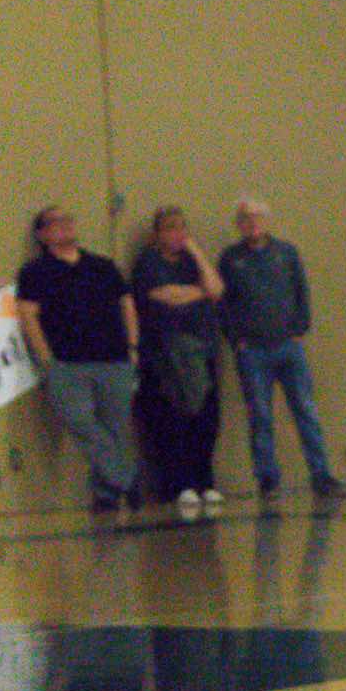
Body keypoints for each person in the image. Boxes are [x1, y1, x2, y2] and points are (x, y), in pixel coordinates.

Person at [15, 205, 141, 512]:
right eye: (56, 222)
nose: (65, 225)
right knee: (81, 422)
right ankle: (126, 478)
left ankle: (107, 494)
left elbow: (126, 304)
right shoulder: (35, 272)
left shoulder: (102, 266)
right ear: (42, 234)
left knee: (113, 428)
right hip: (66, 364)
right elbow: (28, 316)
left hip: (113, 360)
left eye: (68, 220)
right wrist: (47, 360)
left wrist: (133, 347)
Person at [218, 199, 345, 500]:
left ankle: (321, 476)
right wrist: (236, 340)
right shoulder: (230, 259)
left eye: (257, 216)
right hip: (252, 351)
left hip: (288, 346)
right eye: (246, 217)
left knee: (305, 411)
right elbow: (223, 304)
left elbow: (302, 292)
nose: (253, 222)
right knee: (260, 416)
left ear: (267, 220)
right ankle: (268, 480)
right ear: (239, 224)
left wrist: (300, 330)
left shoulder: (286, 253)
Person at [131, 207, 226, 511]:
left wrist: (196, 253)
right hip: (166, 352)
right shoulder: (148, 262)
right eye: (171, 228)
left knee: (206, 419)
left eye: (182, 228)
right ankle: (179, 484)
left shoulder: (192, 261)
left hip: (202, 348)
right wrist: (198, 292)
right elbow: (163, 295)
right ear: (158, 234)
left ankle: (205, 481)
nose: (178, 234)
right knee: (173, 420)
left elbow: (216, 289)